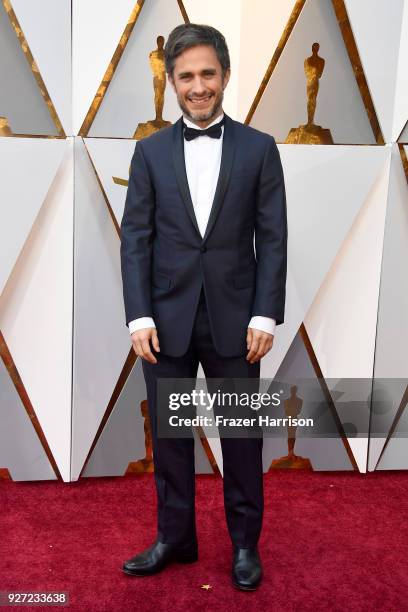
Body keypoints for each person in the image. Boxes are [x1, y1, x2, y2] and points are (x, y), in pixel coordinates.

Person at [120, 23, 287, 591]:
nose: (198, 86)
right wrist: (138, 315)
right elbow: (135, 239)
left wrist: (265, 314)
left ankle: (244, 545)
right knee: (170, 436)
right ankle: (176, 538)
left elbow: (274, 237)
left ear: (225, 76)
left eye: (207, 74)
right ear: (171, 82)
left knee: (241, 437)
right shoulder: (148, 153)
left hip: (238, 321)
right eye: (186, 76)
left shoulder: (260, 149)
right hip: (163, 322)